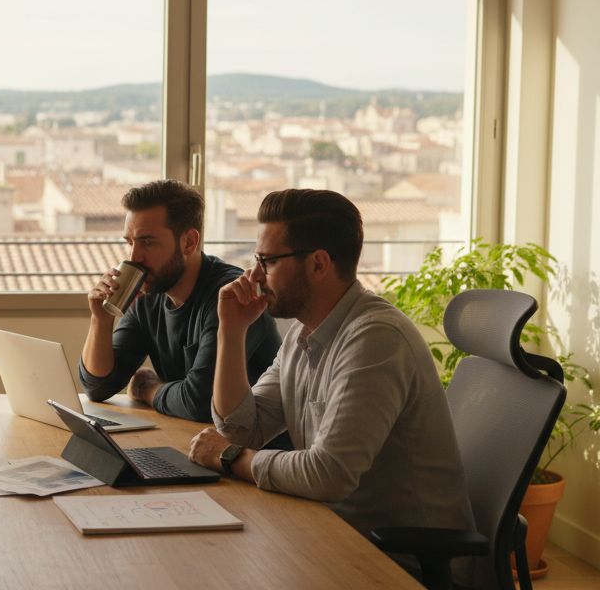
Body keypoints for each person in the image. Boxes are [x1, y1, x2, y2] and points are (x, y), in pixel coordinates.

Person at [190, 189, 473, 540]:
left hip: (406, 559)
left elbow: (328, 474)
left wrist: (230, 458)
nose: (255, 276)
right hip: (335, 529)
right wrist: (232, 331)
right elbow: (241, 427)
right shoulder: (301, 334)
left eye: (268, 262)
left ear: (319, 264)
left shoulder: (376, 339)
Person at [80, 180, 281, 423]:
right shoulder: (150, 293)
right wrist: (100, 320)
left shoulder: (231, 297)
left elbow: (200, 401)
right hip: (191, 437)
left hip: (252, 451)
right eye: (130, 243)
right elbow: (98, 387)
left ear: (189, 242)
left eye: (148, 242)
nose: (134, 257)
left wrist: (148, 389)